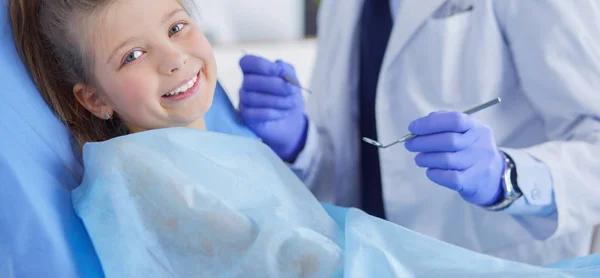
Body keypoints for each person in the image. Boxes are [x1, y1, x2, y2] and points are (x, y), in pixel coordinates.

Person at [10, 0, 600, 276]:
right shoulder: (134, 178)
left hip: (489, 253)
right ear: (93, 96)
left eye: (179, 26)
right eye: (136, 54)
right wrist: (300, 144)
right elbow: (333, 192)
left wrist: (507, 177)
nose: (173, 59)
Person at [238, 0, 600, 265]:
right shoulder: (341, 7)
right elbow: (358, 156)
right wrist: (300, 142)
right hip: (369, 259)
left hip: (495, 262)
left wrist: (507, 176)